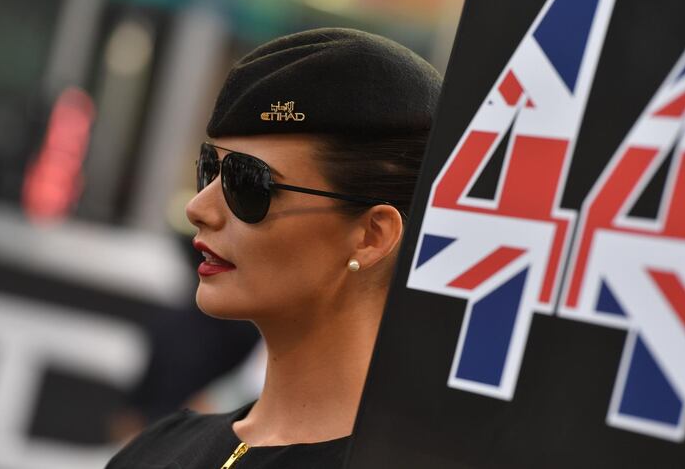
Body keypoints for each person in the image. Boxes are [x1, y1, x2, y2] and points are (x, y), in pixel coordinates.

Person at [106, 27, 443, 468]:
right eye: (210, 169)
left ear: (371, 235)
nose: (198, 208)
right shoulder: (156, 452)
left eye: (248, 184)